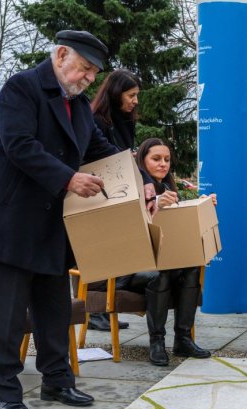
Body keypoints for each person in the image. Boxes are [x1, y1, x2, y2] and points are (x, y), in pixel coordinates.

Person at [0, 30, 122, 409]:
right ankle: (5, 391)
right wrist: (69, 179)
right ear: (62, 55)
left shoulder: (80, 105)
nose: (87, 79)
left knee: (54, 310)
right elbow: (20, 145)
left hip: (51, 227)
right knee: (7, 314)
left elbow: (101, 150)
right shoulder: (21, 88)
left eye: (93, 74)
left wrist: (143, 183)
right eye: (84, 69)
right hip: (7, 224)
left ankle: (56, 379)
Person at [135, 137, 216, 366]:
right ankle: (157, 342)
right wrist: (155, 204)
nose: (163, 164)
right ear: (142, 161)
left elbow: (178, 229)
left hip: (163, 261)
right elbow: (130, 229)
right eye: (156, 159)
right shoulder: (135, 189)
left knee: (191, 268)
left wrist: (201, 204)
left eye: (167, 159)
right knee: (159, 274)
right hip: (132, 266)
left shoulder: (168, 188)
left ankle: (183, 339)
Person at [86, 69, 142, 331]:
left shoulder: (124, 121)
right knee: (99, 255)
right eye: (131, 95)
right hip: (97, 196)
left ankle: (105, 309)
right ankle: (95, 310)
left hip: (117, 194)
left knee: (116, 254)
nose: (135, 101)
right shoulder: (96, 121)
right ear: (116, 93)